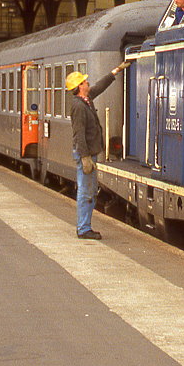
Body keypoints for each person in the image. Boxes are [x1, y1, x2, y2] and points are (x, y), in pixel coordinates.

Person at [68, 61, 130, 239]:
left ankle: (85, 227)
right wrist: (85, 157)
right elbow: (79, 134)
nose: (88, 83)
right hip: (85, 155)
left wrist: (116, 70)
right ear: (80, 87)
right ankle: (83, 229)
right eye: (84, 82)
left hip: (90, 153)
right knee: (86, 192)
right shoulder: (79, 106)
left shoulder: (86, 99)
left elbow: (99, 87)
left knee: (90, 191)